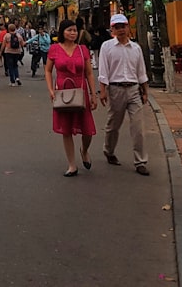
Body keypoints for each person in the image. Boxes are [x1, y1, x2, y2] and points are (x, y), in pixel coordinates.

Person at [98, 13, 150, 176]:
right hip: (116, 90)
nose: (121, 30)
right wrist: (103, 90)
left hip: (134, 89)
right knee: (113, 125)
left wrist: (145, 91)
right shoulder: (107, 47)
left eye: (123, 26)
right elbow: (103, 70)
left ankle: (140, 161)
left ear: (128, 27)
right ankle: (109, 150)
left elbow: (141, 71)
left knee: (138, 127)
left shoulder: (136, 48)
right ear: (112, 29)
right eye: (117, 27)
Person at [45, 19, 98, 176]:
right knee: (66, 129)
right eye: (69, 30)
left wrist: (93, 94)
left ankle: (85, 150)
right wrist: (50, 89)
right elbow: (48, 70)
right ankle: (72, 165)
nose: (73, 33)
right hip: (62, 92)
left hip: (80, 92)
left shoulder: (82, 50)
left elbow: (89, 73)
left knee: (87, 130)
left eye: (75, 30)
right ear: (62, 32)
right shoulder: (54, 49)